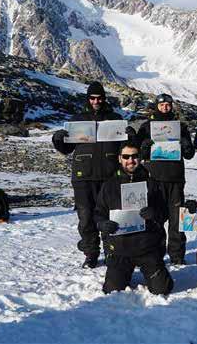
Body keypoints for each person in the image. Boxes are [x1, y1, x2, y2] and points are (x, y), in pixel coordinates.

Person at [52, 81, 134, 268]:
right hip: (83, 176)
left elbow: (125, 149)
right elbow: (66, 149)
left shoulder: (114, 119)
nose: (96, 101)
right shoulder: (77, 120)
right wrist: (58, 139)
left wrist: (130, 136)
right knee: (86, 217)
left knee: (110, 216)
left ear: (104, 99)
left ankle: (112, 251)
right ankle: (91, 253)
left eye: (99, 98)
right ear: (88, 99)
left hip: (109, 176)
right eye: (92, 98)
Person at [94, 141, 173, 295]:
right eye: (126, 156)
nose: (131, 160)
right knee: (112, 289)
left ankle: (153, 269)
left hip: (147, 248)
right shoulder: (108, 185)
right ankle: (122, 272)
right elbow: (98, 213)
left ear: (140, 158)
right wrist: (102, 224)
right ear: (119, 159)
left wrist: (154, 213)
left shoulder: (152, 184)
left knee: (162, 288)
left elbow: (165, 213)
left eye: (134, 156)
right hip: (120, 248)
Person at [136, 93, 195, 265]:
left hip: (176, 179)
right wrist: (144, 146)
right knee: (156, 219)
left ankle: (177, 256)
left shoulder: (180, 127)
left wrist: (186, 144)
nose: (165, 107)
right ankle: (156, 253)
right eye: (162, 105)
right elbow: (138, 153)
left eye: (168, 104)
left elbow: (190, 154)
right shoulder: (147, 127)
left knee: (177, 220)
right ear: (156, 106)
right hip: (154, 178)